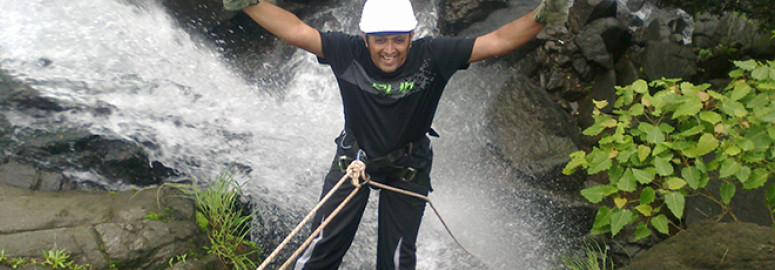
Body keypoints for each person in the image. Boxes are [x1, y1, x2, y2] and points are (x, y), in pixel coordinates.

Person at [221, 0, 570, 268]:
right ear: (365, 39)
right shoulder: (347, 52)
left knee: (398, 260)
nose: (390, 49)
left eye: (399, 40)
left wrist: (542, 16)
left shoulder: (433, 56)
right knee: (322, 246)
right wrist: (249, 4)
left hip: (408, 166)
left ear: (411, 38)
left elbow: (496, 41)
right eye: (380, 40)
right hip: (354, 160)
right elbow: (296, 30)